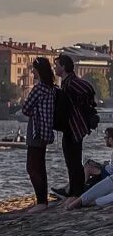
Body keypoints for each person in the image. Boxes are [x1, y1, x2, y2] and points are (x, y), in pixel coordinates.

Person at [54, 54, 98, 204]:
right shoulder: (65, 82)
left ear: (64, 67)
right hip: (70, 126)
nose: (55, 68)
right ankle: (72, 190)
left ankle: (76, 191)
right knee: (70, 158)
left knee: (73, 159)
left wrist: (83, 105)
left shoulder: (71, 82)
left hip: (75, 126)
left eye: (57, 65)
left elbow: (87, 89)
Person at [21, 57, 57, 213]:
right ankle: (43, 200)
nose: (32, 71)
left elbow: (26, 109)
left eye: (33, 68)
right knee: (41, 166)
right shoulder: (51, 88)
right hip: (46, 131)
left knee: (32, 167)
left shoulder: (39, 88)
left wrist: (33, 111)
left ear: (39, 70)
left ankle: (41, 202)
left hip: (36, 131)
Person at [67, 127, 113, 209]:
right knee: (90, 165)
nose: (105, 139)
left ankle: (82, 192)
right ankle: (80, 196)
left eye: (106, 137)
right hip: (109, 174)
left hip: (108, 173)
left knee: (89, 168)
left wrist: (96, 202)